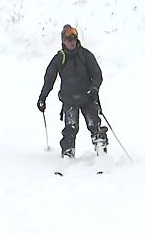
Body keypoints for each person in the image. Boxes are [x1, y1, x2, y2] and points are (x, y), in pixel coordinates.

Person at [37, 24, 108, 158]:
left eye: (74, 39)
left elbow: (97, 74)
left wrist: (94, 89)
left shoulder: (85, 55)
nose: (72, 42)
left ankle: (101, 152)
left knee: (95, 126)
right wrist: (42, 97)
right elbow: (49, 79)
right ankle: (68, 154)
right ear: (63, 41)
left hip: (88, 98)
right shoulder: (59, 58)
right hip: (69, 100)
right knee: (70, 129)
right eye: (69, 39)